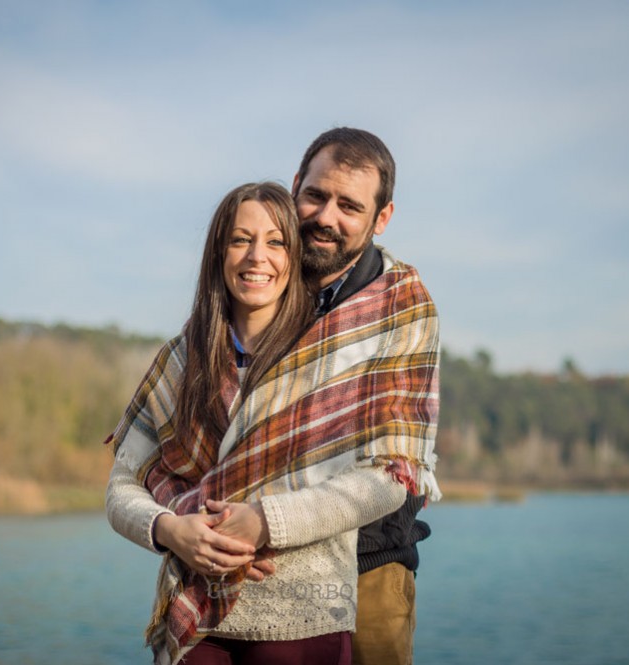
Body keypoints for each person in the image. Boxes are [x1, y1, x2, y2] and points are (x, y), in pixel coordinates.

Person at [105, 181, 437, 665]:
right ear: (218, 252)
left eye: (276, 242)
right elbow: (121, 486)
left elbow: (386, 481)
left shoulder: (337, 359)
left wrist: (266, 523)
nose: (256, 256)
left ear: (295, 254)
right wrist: (171, 530)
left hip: (306, 615)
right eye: (240, 240)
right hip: (197, 621)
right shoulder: (180, 361)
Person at [290, 127, 440, 665]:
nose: (326, 216)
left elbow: (396, 464)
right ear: (294, 188)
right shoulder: (260, 280)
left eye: (349, 206)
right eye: (316, 195)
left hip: (369, 564)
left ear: (381, 218)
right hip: (260, 567)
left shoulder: (405, 305)